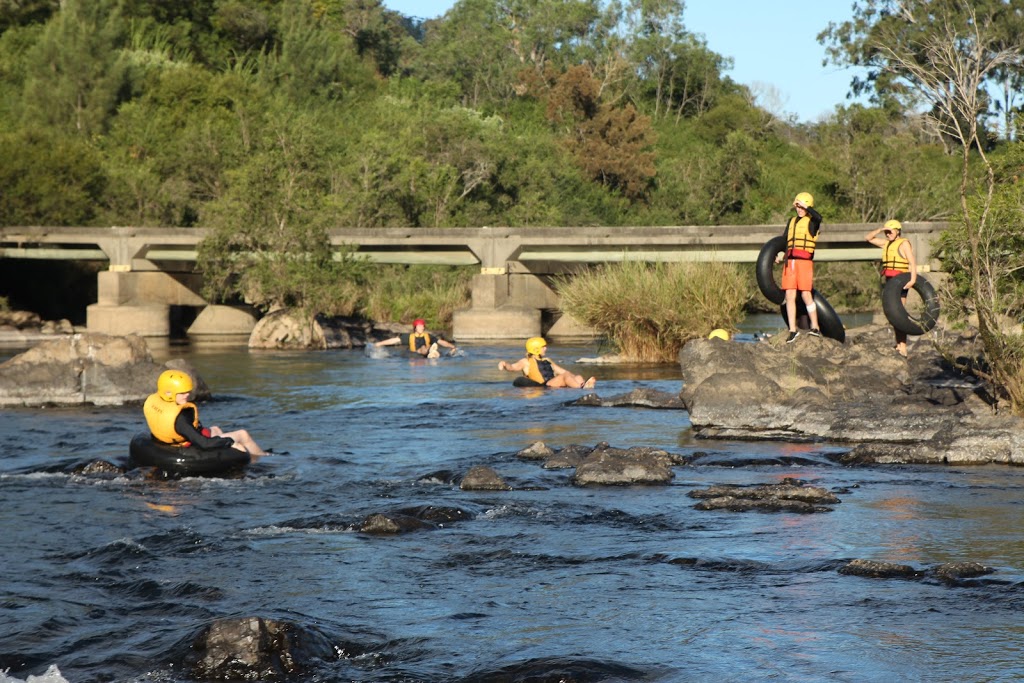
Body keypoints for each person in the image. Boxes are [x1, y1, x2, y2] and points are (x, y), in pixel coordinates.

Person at [143, 369, 267, 456]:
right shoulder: (180, 419)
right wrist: (228, 442)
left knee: (216, 429)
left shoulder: (157, 401)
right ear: (169, 393)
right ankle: (264, 460)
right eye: (182, 393)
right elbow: (204, 443)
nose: (187, 395)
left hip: (169, 440)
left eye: (187, 391)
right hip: (186, 445)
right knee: (242, 434)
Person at [776, 191, 824, 343]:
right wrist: (780, 254)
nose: (799, 209)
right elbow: (785, 240)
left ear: (808, 207)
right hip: (790, 263)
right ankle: (792, 330)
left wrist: (806, 207)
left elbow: (819, 217)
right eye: (797, 206)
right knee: (789, 296)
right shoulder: (791, 222)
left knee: (805, 294)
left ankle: (815, 327)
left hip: (804, 263)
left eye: (802, 207)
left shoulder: (812, 222)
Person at [865, 219, 917, 357]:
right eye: (886, 232)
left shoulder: (904, 243)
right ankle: (899, 344)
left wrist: (912, 280)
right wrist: (880, 230)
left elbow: (912, 262)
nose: (888, 234)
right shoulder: (886, 243)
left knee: (899, 314)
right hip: (889, 281)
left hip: (901, 281)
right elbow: (868, 238)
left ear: (898, 231)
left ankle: (903, 346)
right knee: (893, 315)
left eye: (890, 232)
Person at [497, 337, 596, 389]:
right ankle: (581, 387)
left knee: (577, 376)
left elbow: (563, 371)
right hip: (545, 386)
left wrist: (575, 378)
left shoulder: (547, 360)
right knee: (565, 376)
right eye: (543, 347)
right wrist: (504, 364)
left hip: (553, 383)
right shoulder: (526, 362)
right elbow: (513, 367)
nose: (545, 348)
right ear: (535, 349)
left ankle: (584, 387)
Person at [375, 318, 458, 358]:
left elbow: (441, 342)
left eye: (423, 326)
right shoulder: (408, 337)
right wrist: (379, 343)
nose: (422, 328)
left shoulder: (428, 336)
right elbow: (394, 340)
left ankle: (432, 352)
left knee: (428, 346)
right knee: (422, 348)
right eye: (420, 326)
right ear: (415, 328)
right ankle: (430, 352)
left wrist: (452, 347)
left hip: (425, 352)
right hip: (413, 354)